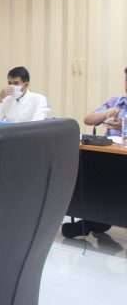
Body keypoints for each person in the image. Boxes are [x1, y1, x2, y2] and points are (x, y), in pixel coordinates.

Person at [63, 68, 127, 238]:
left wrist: (123, 125)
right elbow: (88, 119)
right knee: (91, 169)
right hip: (109, 157)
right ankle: (94, 218)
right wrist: (105, 114)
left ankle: (99, 220)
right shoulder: (116, 102)